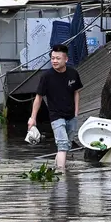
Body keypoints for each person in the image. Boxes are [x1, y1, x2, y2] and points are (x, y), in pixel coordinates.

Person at [28, 43, 83, 172]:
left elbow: (76, 92)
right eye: (52, 58)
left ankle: (56, 167)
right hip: (56, 116)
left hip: (71, 115)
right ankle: (62, 174)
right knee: (63, 145)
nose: (54, 61)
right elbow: (38, 97)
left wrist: (76, 111)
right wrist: (32, 118)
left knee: (66, 146)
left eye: (58, 58)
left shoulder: (73, 73)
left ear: (66, 59)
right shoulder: (46, 77)